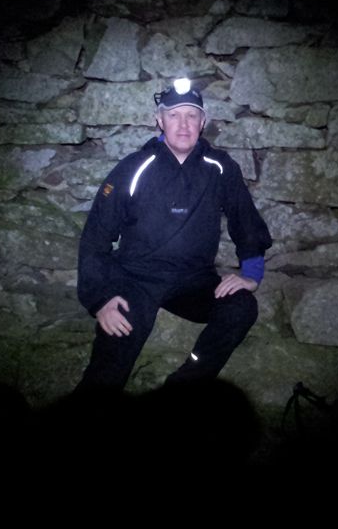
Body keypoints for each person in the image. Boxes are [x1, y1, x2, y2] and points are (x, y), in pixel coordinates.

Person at [75, 78, 273, 391]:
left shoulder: (220, 167)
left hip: (194, 281)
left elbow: (245, 220)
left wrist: (251, 274)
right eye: (174, 115)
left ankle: (181, 389)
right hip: (136, 279)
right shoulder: (134, 168)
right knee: (109, 363)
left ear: (203, 122)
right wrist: (100, 299)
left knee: (241, 307)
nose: (183, 124)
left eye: (192, 115)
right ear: (160, 120)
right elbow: (96, 235)